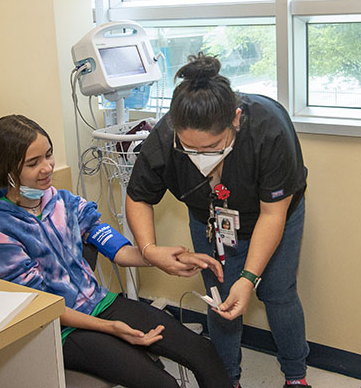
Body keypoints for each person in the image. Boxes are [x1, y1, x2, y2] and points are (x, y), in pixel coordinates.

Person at [0, 114, 231, 388]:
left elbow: (117, 250)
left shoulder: (63, 203)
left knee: (202, 352)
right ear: (8, 170)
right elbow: (42, 310)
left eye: (48, 155)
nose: (47, 167)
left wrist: (160, 256)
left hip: (100, 303)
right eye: (33, 163)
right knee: (161, 384)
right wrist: (111, 329)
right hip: (59, 330)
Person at [126, 53, 311, 388]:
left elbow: (273, 214)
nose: (201, 158)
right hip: (211, 218)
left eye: (212, 146)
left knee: (278, 292)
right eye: (190, 148)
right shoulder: (166, 135)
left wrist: (249, 277)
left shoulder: (268, 129)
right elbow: (139, 195)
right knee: (219, 296)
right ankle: (227, 380)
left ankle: (295, 377)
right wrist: (150, 250)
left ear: (235, 119)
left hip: (272, 214)